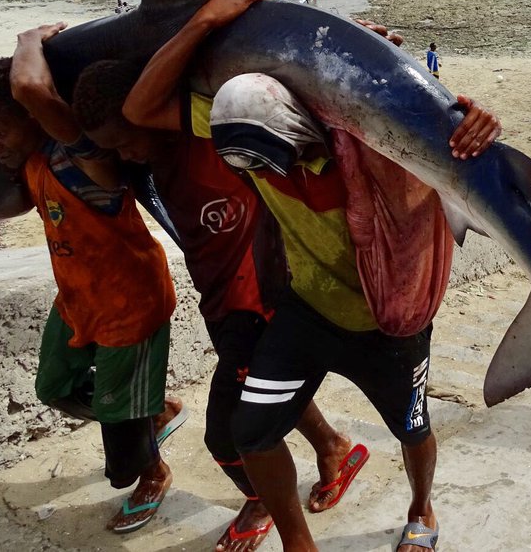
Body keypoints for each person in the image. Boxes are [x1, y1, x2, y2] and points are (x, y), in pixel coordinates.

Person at [122, 0, 502, 552]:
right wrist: (205, 18)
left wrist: (475, 123)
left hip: (386, 318)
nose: (272, 174)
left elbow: (446, 134)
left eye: (280, 157)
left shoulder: (370, 140)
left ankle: (422, 508)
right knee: (250, 431)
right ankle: (299, 542)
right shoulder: (239, 117)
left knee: (412, 427)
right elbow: (139, 109)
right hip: (308, 310)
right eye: (250, 166)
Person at [68, 44, 362, 550]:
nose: (123, 153)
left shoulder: (210, 136)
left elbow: (269, 88)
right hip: (220, 303)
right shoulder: (147, 166)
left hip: (258, 302)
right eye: (111, 147)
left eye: (126, 139)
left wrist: (204, 23)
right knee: (266, 391)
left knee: (226, 438)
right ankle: (334, 447)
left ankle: (265, 501)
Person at [0, 39, 182, 534]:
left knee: (120, 440)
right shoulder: (30, 162)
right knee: (54, 388)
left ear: (33, 116)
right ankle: (155, 412)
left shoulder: (83, 163)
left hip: (129, 305)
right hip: (77, 300)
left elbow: (30, 87)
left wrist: (29, 41)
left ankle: (151, 471)